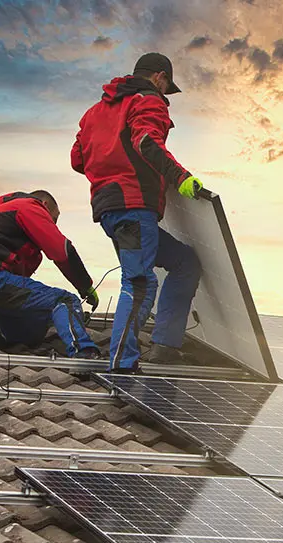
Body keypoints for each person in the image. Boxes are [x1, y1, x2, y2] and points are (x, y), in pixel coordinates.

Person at [71, 52, 204, 372]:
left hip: (110, 211)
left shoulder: (95, 111)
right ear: (160, 77)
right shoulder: (149, 100)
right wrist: (180, 178)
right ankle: (121, 363)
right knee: (140, 283)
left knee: (185, 262)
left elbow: (78, 159)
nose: (165, 92)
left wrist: (109, 158)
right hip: (133, 207)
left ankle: (166, 345)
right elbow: (146, 141)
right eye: (166, 86)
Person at [0, 190, 100, 358]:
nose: (53, 225)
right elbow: (62, 251)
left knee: (31, 333)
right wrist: (85, 286)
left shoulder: (2, 222)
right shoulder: (28, 207)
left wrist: (61, 318)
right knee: (65, 300)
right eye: (54, 219)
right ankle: (83, 352)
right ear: (45, 205)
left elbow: (17, 294)